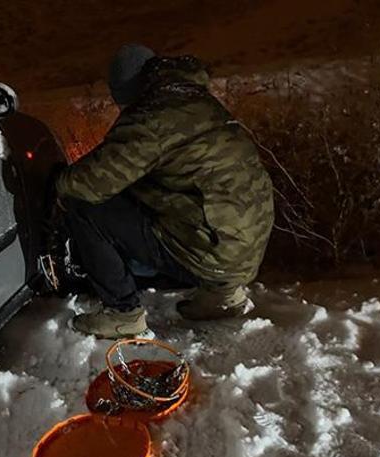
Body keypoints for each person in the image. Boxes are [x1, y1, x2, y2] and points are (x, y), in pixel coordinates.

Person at [53, 44, 275, 339]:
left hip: (212, 250)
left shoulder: (152, 115)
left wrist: (55, 182)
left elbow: (91, 182)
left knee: (84, 207)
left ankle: (123, 313)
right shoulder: (196, 101)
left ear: (127, 90)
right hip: (246, 246)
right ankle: (224, 295)